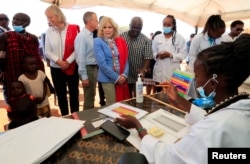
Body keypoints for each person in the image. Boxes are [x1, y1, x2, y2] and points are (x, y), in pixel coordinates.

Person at [115, 34, 250, 164]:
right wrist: (179, 100)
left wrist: (138, 127)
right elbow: (208, 119)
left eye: (196, 76)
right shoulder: (239, 111)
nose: (195, 83)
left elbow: (168, 157)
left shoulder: (213, 128)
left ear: (213, 83)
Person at [0, 12, 45, 103]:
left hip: (31, 74)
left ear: (26, 23)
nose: (14, 21)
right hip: (13, 73)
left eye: (18, 19)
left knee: (32, 98)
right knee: (16, 100)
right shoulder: (5, 36)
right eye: (13, 18)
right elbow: (1, 56)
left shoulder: (33, 38)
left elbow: (37, 58)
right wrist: (2, 70)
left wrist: (41, 72)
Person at [45, 5, 80, 116]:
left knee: (74, 93)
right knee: (61, 94)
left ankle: (75, 116)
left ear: (58, 15)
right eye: (47, 18)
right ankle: (65, 116)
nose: (49, 20)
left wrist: (68, 61)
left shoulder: (74, 28)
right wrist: (58, 61)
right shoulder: (49, 31)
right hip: (56, 68)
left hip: (72, 67)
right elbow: (47, 51)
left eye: (51, 17)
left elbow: (77, 48)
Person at [93, 16, 130, 105]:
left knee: (121, 103)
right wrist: (117, 78)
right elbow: (102, 64)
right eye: (104, 27)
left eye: (110, 27)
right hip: (107, 78)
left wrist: (124, 75)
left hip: (120, 76)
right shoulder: (97, 41)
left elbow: (125, 60)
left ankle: (119, 119)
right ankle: (109, 119)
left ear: (114, 29)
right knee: (112, 104)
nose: (107, 30)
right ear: (101, 29)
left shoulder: (118, 41)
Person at [152, 15, 187, 92]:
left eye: (168, 25)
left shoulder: (179, 38)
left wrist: (171, 55)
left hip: (173, 73)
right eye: (164, 24)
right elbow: (153, 52)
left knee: (172, 97)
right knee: (160, 95)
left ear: (173, 25)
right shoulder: (157, 38)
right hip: (159, 73)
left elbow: (183, 54)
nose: (166, 26)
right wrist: (158, 55)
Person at [120, 17, 152, 98]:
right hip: (124, 73)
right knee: (126, 97)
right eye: (134, 27)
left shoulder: (146, 40)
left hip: (138, 74)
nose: (136, 30)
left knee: (138, 96)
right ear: (130, 25)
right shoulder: (121, 37)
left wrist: (143, 70)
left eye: (139, 28)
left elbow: (147, 57)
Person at [75, 11, 99, 110]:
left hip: (92, 68)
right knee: (89, 98)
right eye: (96, 20)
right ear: (89, 22)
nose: (98, 22)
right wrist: (84, 76)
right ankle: (86, 120)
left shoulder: (90, 35)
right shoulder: (82, 36)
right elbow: (81, 57)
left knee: (91, 95)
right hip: (87, 69)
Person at [144, 31, 162, 95]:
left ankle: (154, 96)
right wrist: (147, 67)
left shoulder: (162, 45)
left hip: (158, 68)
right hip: (150, 67)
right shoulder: (150, 44)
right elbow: (147, 55)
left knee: (156, 84)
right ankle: (148, 96)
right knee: (148, 84)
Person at [93, 15, 106, 107]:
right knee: (100, 82)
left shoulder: (109, 33)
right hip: (97, 62)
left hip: (108, 62)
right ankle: (102, 100)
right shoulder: (94, 33)